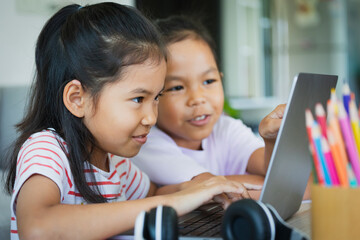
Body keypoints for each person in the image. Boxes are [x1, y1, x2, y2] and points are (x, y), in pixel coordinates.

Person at [4, 4, 256, 240]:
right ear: (77, 99)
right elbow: (37, 227)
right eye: (138, 98)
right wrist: (173, 202)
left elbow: (155, 194)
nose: (151, 117)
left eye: (156, 97)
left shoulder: (116, 163)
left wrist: (199, 187)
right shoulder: (47, 150)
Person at [131, 15, 285, 198]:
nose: (197, 98)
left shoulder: (225, 128)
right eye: (177, 87)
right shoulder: (147, 143)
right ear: (153, 94)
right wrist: (261, 182)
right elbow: (214, 189)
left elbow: (278, 174)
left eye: (209, 81)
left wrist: (270, 141)